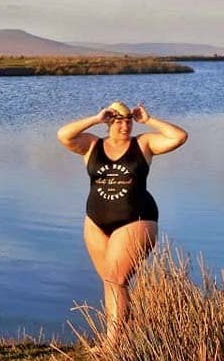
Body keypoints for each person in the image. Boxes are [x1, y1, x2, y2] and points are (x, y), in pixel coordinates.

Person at [56, 101, 188, 345]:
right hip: (96, 221)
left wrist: (148, 120)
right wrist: (95, 118)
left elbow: (179, 136)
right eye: (119, 120)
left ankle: (113, 345)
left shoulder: (144, 144)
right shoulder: (92, 145)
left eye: (128, 120)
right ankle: (116, 338)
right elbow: (64, 134)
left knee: (117, 279)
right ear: (109, 122)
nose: (125, 125)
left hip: (136, 219)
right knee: (109, 281)